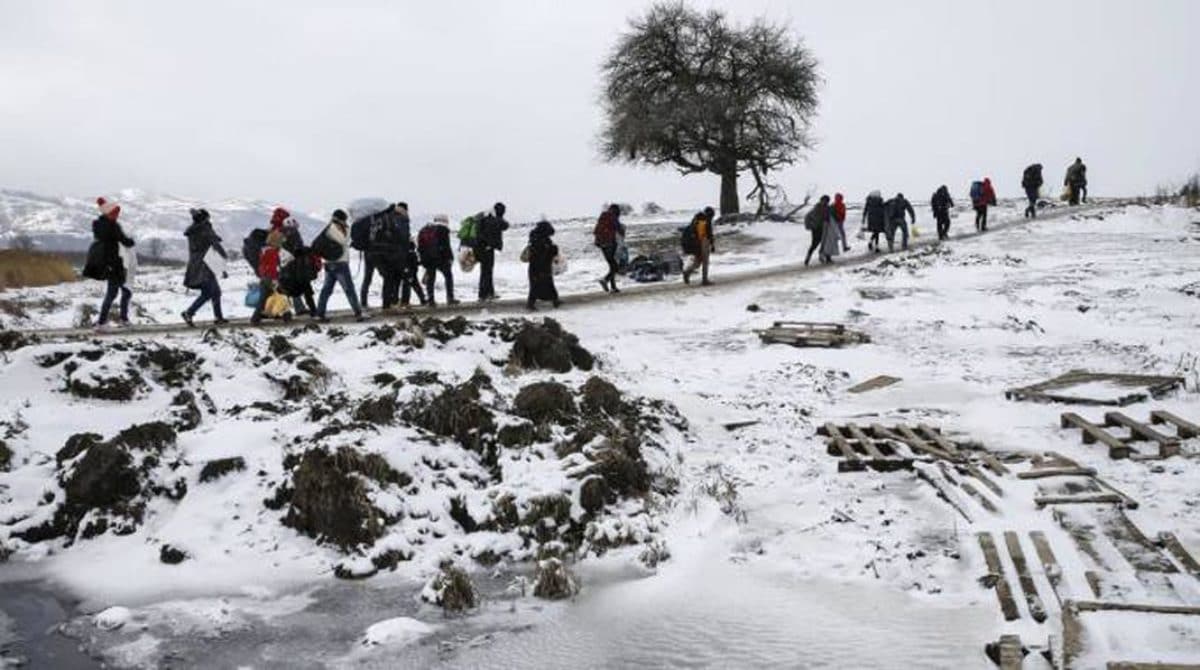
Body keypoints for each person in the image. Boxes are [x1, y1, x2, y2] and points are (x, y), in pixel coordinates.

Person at [90, 197, 135, 330]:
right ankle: (103, 322)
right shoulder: (112, 226)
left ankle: (120, 319)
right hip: (115, 263)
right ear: (108, 213)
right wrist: (131, 241)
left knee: (119, 292)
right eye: (114, 213)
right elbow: (125, 241)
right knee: (118, 292)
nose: (116, 216)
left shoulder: (99, 225)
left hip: (107, 263)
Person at [314, 209, 365, 322]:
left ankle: (320, 313)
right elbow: (343, 241)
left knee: (326, 290)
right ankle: (358, 313)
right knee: (349, 289)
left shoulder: (329, 228)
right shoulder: (334, 228)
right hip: (340, 263)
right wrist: (348, 229)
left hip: (329, 263)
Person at [181, 208, 228, 327]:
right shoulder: (205, 229)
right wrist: (224, 257)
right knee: (208, 292)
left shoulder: (193, 230)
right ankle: (189, 313)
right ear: (205, 219)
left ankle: (218, 317)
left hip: (195, 264)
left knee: (215, 292)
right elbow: (215, 244)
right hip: (206, 264)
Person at [419, 215, 458, 306]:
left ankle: (431, 299)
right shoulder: (443, 229)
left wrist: (423, 259)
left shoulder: (425, 229)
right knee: (448, 277)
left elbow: (421, 246)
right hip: (441, 258)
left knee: (431, 279)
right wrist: (450, 257)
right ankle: (450, 298)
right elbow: (446, 246)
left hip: (429, 259)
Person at [474, 202, 509, 301]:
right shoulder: (493, 219)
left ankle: (489, 293)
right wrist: (500, 217)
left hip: (480, 247)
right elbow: (505, 225)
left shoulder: (485, 218)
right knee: (487, 272)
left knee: (486, 271)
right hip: (487, 248)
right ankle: (483, 295)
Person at [250, 229, 286, 324]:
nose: (281, 244)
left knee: (265, 298)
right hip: (270, 278)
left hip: (265, 277)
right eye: (280, 242)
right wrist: (274, 278)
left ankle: (256, 317)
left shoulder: (265, 250)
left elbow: (263, 265)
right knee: (280, 295)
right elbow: (272, 266)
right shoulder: (272, 252)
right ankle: (285, 314)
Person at [525, 220, 560, 310]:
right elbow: (545, 253)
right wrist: (554, 249)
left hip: (536, 266)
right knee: (542, 284)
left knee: (538, 285)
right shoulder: (542, 241)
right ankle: (532, 304)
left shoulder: (536, 238)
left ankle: (554, 300)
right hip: (541, 266)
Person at [594, 204, 625, 293]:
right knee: (615, 266)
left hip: (602, 244)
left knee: (612, 266)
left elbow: (596, 231)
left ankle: (613, 287)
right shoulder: (612, 217)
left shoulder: (602, 218)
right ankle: (605, 280)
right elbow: (619, 229)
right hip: (610, 243)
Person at [682, 206, 716, 285]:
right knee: (705, 262)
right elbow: (709, 234)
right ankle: (705, 280)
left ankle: (687, 271)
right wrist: (712, 244)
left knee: (697, 261)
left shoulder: (696, 219)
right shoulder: (707, 221)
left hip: (695, 243)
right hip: (704, 242)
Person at [399, 237, 428, 307]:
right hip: (412, 271)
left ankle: (405, 301)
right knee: (413, 286)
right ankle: (421, 300)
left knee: (410, 285)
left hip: (408, 271)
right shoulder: (412, 253)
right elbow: (414, 263)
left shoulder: (405, 252)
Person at [804, 195, 830, 266]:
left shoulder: (827, 208)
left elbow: (828, 217)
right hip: (816, 228)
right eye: (823, 201)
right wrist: (809, 226)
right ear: (821, 200)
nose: (824, 202)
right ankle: (808, 258)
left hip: (824, 228)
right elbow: (807, 217)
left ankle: (825, 257)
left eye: (826, 201)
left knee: (825, 243)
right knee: (814, 244)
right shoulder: (816, 208)